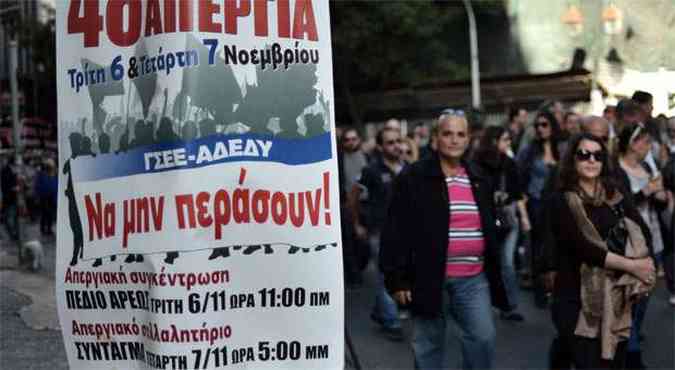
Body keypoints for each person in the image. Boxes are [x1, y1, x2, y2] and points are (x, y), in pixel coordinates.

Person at [381, 111, 508, 370]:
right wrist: (398, 279)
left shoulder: (479, 177)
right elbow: (395, 231)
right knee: (428, 346)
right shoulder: (413, 177)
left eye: (460, 134)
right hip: (428, 276)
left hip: (473, 278)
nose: (454, 140)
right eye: (447, 133)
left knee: (483, 338)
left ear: (468, 139)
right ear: (436, 138)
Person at [549, 132, 656, 369]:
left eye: (597, 155)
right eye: (583, 154)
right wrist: (632, 266)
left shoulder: (615, 194)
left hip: (616, 295)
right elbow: (584, 249)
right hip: (575, 298)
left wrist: (642, 261)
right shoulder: (562, 200)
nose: (591, 160)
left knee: (614, 362)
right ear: (573, 160)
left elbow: (642, 229)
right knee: (588, 361)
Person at [615, 124, 668, 368]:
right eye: (645, 142)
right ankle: (631, 350)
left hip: (653, 237)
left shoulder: (647, 166)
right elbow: (624, 206)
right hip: (633, 244)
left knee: (645, 295)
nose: (648, 147)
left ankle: (632, 333)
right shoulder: (618, 171)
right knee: (632, 299)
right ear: (632, 143)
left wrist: (660, 196)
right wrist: (647, 190)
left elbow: (657, 201)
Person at [351, 127, 406, 341]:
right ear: (381, 147)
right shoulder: (371, 170)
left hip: (405, 231)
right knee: (385, 276)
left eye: (397, 141)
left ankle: (380, 312)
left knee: (402, 273)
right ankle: (392, 321)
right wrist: (357, 224)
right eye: (390, 143)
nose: (395, 146)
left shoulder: (407, 168)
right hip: (380, 231)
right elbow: (354, 195)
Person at [475, 126, 530, 322]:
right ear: (493, 141)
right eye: (505, 140)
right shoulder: (477, 163)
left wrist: (523, 217)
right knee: (487, 263)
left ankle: (509, 305)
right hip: (485, 220)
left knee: (507, 262)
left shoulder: (509, 163)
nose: (508, 144)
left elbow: (518, 192)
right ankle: (485, 304)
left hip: (507, 219)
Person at [516, 110, 563, 308]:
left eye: (544, 124)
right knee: (537, 248)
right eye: (537, 125)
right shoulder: (529, 151)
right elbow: (520, 180)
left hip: (558, 203)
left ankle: (557, 289)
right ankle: (539, 292)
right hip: (536, 203)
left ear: (552, 126)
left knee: (558, 246)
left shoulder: (562, 149)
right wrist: (523, 210)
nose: (540, 129)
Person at [35, 158, 58, 236]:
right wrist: (38, 195)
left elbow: (56, 185)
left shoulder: (55, 174)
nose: (50, 167)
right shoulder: (42, 174)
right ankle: (43, 229)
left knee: (50, 214)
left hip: (52, 197)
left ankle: (49, 228)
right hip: (44, 197)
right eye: (49, 166)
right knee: (44, 213)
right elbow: (38, 186)